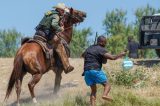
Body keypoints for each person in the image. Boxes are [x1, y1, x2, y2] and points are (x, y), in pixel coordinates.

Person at [82, 35, 126, 106]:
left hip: (86, 71)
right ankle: (105, 95)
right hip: (95, 70)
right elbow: (112, 57)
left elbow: (83, 55)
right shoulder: (101, 49)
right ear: (102, 42)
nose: (105, 44)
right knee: (107, 85)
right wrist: (121, 54)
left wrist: (93, 53)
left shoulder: (90, 48)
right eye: (105, 43)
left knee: (93, 91)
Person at [35, 3, 74, 74]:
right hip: (46, 35)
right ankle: (67, 66)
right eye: (62, 10)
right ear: (58, 9)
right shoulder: (56, 15)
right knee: (59, 45)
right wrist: (60, 29)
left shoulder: (50, 13)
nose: (63, 12)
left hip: (38, 34)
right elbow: (53, 24)